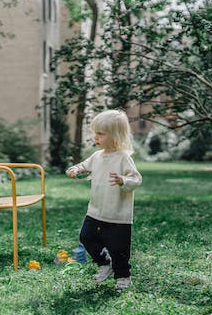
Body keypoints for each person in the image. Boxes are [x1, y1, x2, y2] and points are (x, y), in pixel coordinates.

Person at [66, 109, 142, 292]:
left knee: (119, 248)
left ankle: (123, 276)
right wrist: (75, 169)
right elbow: (84, 165)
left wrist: (123, 180)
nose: (96, 137)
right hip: (95, 210)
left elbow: (136, 179)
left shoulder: (123, 158)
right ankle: (104, 263)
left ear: (115, 136)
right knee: (86, 236)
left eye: (101, 133)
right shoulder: (97, 156)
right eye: (95, 133)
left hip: (117, 213)